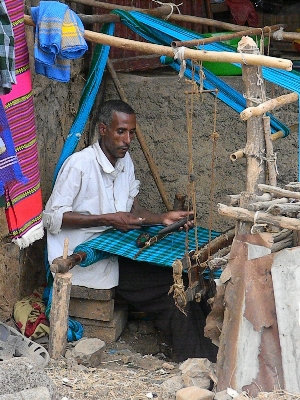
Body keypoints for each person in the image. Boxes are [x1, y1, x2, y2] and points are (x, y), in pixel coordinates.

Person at [43, 99, 218, 362]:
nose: (127, 140)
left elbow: (133, 212)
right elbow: (52, 218)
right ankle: (196, 359)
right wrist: (107, 219)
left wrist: (162, 218)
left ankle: (214, 349)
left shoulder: (125, 163)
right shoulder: (79, 165)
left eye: (131, 132)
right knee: (172, 289)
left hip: (117, 248)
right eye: (120, 131)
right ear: (103, 129)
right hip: (87, 260)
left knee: (190, 275)